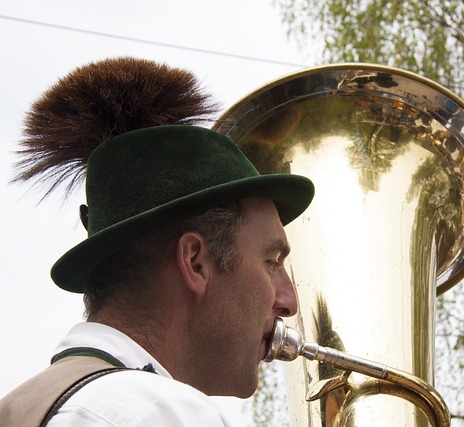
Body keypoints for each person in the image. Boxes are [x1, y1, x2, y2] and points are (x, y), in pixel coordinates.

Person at [0, 57, 314, 426]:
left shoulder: (25, 405)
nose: (289, 301)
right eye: (271, 262)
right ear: (195, 262)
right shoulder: (162, 412)